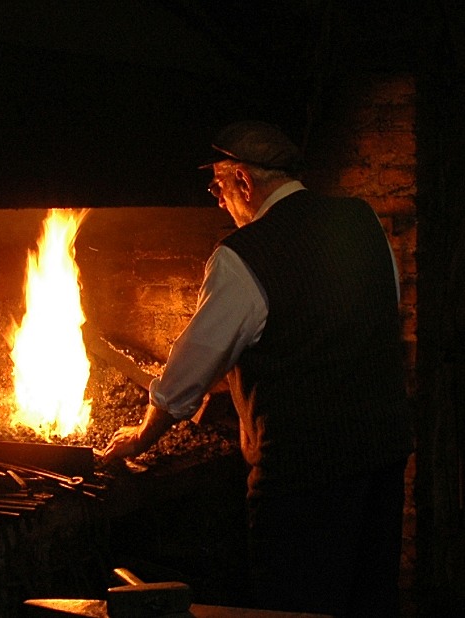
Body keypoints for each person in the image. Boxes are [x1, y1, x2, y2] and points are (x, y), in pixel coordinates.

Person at [102, 120, 413, 616]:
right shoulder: (363, 221)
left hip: (303, 477)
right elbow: (366, 320)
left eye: (219, 189)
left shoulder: (244, 256)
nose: (219, 203)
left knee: (291, 607)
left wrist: (143, 435)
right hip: (382, 454)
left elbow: (186, 376)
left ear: (244, 182)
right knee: (368, 599)